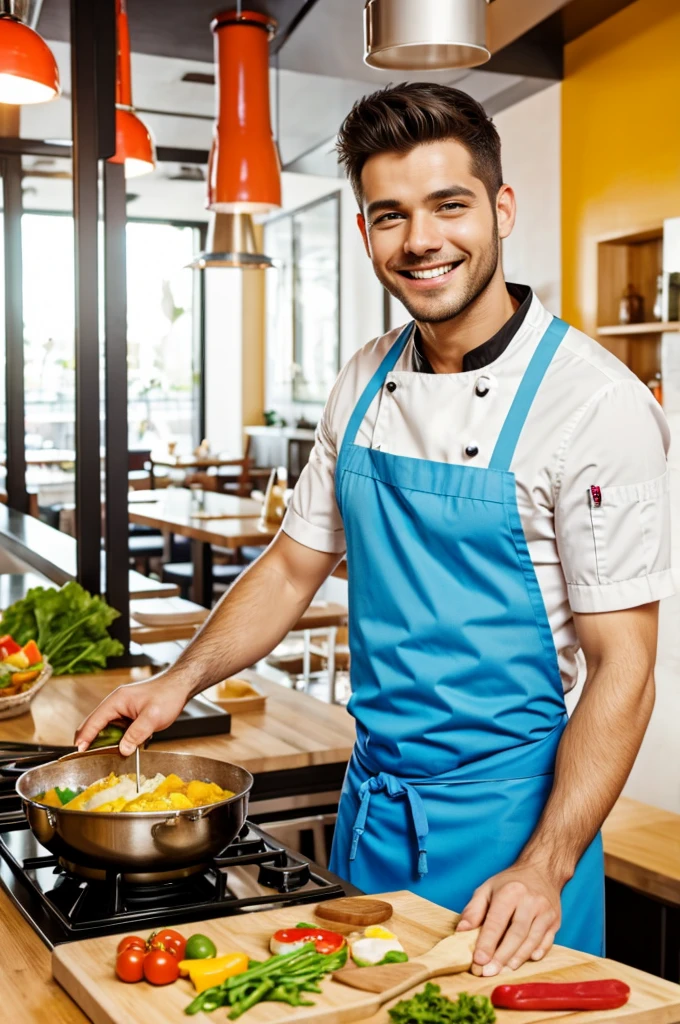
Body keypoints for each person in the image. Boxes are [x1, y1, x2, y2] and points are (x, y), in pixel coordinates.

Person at [77, 84, 672, 977]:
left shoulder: (594, 405)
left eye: (449, 205)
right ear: (365, 234)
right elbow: (291, 565)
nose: (421, 240)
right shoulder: (364, 377)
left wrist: (546, 865)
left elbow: (624, 667)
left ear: (501, 209)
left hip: (518, 826)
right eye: (390, 215)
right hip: (373, 804)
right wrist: (181, 680)